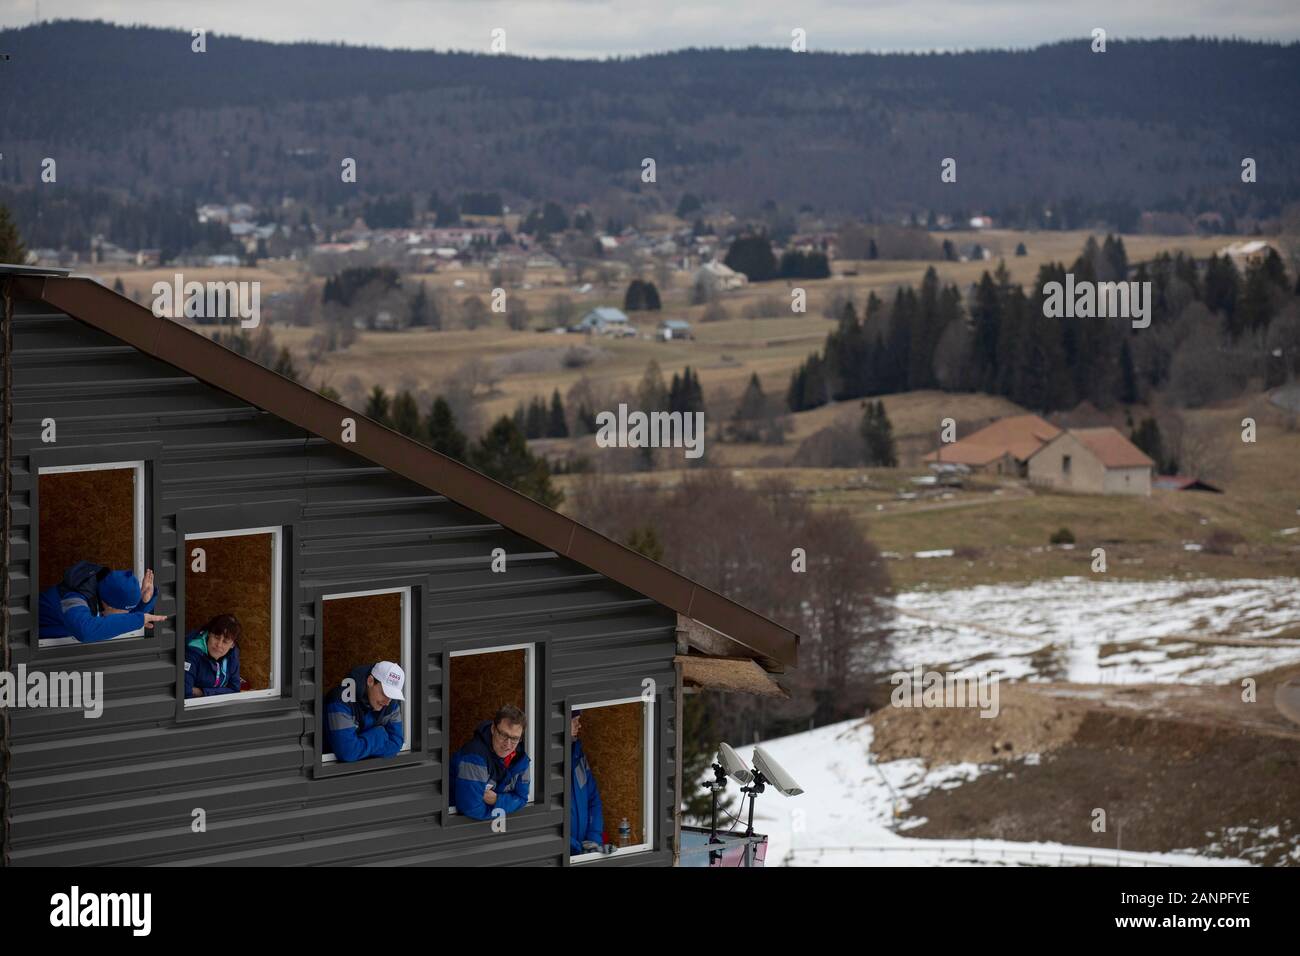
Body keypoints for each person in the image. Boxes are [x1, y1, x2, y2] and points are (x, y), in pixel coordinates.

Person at [38, 561, 166, 643]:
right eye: (123, 610)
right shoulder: (72, 598)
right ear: (108, 603)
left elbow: (118, 617)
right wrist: (137, 620)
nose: (127, 613)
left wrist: (144, 602)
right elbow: (86, 631)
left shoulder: (99, 591)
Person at [450, 704, 530, 820]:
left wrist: (497, 800)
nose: (508, 745)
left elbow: (522, 799)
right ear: (493, 729)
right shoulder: (474, 757)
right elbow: (471, 808)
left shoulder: (521, 760)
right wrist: (505, 806)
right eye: (503, 735)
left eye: (514, 738)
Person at [323, 661, 406, 762]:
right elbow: (348, 752)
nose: (387, 701)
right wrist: (379, 734)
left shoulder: (390, 703)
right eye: (385, 692)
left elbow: (396, 744)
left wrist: (359, 745)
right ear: (370, 681)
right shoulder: (341, 701)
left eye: (392, 695)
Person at [569, 709, 604, 854]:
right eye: (574, 720)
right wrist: (576, 846)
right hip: (561, 852)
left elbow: (593, 800)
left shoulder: (578, 756)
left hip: (581, 853)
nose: (579, 725)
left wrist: (593, 840)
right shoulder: (541, 761)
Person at [184, 614, 243, 699]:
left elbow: (234, 690)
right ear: (208, 634)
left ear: (232, 645)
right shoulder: (192, 654)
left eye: (225, 641)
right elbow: (186, 693)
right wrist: (222, 691)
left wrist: (202, 692)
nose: (219, 645)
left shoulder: (232, 655)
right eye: (216, 637)